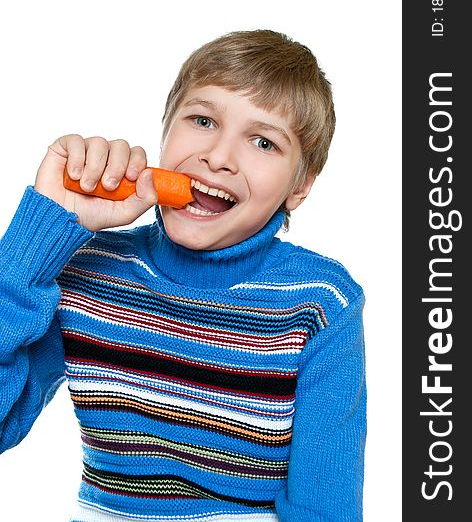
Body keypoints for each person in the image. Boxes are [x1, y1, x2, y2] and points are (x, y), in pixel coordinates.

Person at [0, 30, 366, 521]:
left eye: (263, 141)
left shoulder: (321, 303)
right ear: (166, 131)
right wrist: (40, 235)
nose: (219, 156)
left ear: (299, 186)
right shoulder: (89, 270)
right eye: (203, 120)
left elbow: (327, 507)